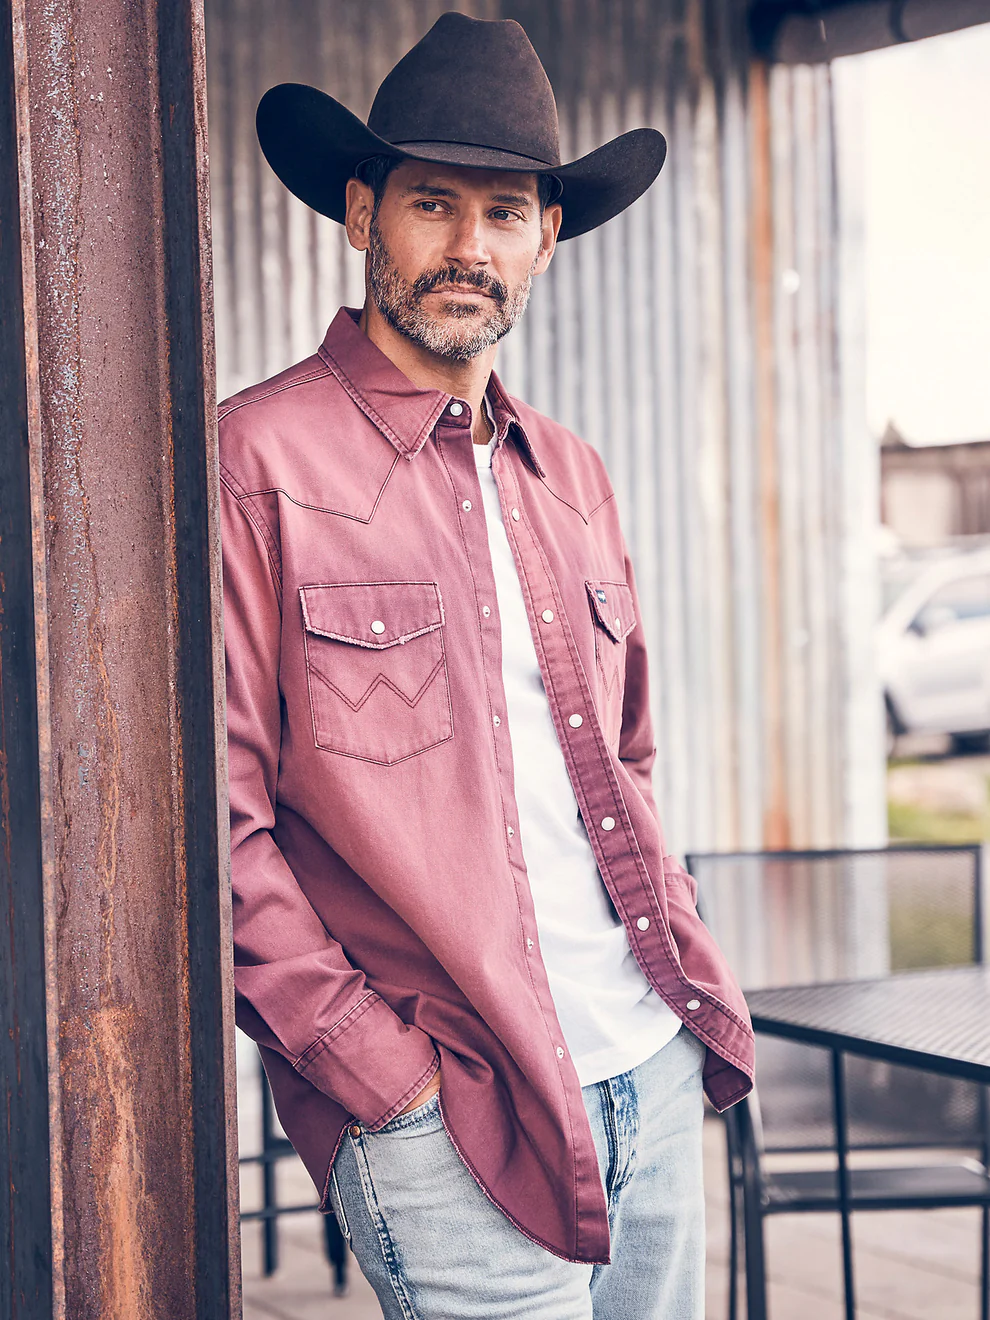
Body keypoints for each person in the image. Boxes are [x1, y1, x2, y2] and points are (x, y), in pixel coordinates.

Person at [221, 12, 754, 1318]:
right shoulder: (255, 463)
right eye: (433, 203)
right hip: (452, 1108)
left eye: (505, 211)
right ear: (363, 213)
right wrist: (374, 1073)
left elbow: (623, 760)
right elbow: (213, 826)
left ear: (546, 237)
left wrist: (677, 972)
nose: (470, 245)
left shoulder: (572, 474)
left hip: (643, 1062)